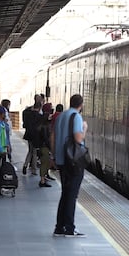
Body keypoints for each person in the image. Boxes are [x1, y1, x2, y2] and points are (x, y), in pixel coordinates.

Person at [53, 94, 87, 237]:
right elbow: (78, 138)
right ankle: (69, 227)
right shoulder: (77, 117)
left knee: (65, 193)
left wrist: (54, 155)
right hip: (73, 161)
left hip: (61, 160)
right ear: (81, 105)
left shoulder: (61, 116)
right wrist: (84, 128)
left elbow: (52, 136)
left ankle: (59, 227)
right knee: (72, 195)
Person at [22, 101, 42, 175]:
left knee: (30, 151)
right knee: (34, 152)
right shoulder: (39, 116)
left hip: (28, 135)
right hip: (35, 136)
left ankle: (25, 165)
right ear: (40, 108)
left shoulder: (28, 114)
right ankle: (34, 169)